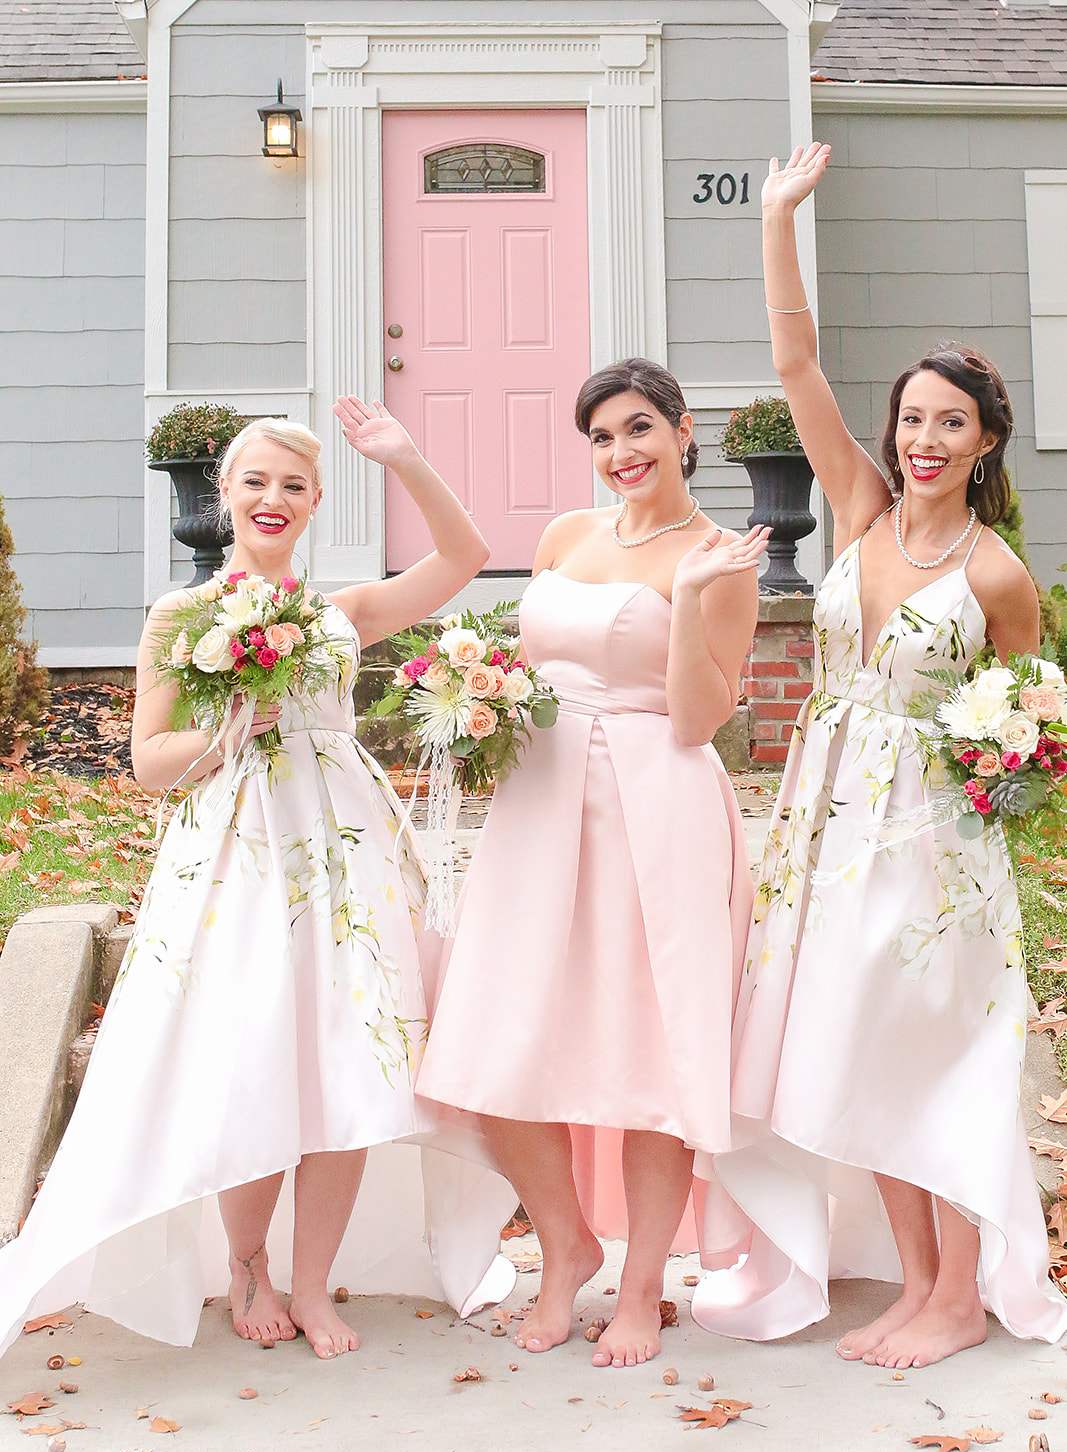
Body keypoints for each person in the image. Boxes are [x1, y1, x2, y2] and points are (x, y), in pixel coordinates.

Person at [0, 401, 515, 1363]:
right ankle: (247, 1266)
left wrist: (405, 459)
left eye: (293, 485)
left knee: (354, 1063)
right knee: (257, 1060)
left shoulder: (343, 613)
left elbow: (465, 557)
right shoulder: (182, 615)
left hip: (344, 853)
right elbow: (149, 762)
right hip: (239, 852)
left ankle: (314, 1282)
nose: (273, 498)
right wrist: (229, 729)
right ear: (225, 495)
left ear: (314, 502)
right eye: (256, 482)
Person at [695, 145, 1067, 1367]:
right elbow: (794, 364)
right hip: (831, 821)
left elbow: (1032, 727)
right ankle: (916, 1285)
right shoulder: (857, 511)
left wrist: (1003, 775)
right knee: (860, 1048)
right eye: (910, 417)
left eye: (948, 422)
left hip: (935, 845)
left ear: (984, 442)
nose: (921, 438)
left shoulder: (996, 576)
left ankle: (959, 1294)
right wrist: (773, 218)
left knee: (933, 1055)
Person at [418, 358, 768, 1367]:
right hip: (539, 800)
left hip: (656, 803)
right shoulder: (563, 537)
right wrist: (484, 708)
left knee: (651, 1052)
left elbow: (697, 719)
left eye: (638, 429)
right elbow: (535, 667)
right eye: (602, 437)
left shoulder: (720, 557)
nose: (621, 452)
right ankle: (565, 1242)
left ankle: (643, 1282)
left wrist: (690, 598)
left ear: (682, 429)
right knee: (495, 1038)